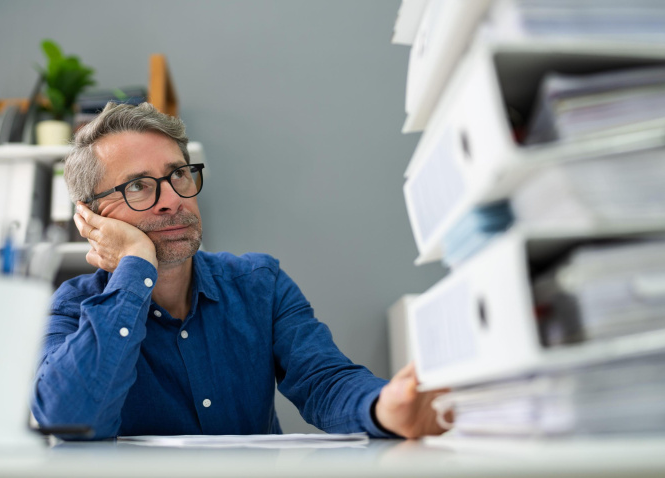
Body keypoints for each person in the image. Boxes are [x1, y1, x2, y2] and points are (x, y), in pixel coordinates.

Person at [31, 102, 449, 439]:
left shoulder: (259, 284)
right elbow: (69, 418)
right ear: (90, 216)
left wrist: (384, 406)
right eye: (138, 185)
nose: (172, 199)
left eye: (178, 174)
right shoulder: (73, 307)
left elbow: (324, 380)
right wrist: (136, 264)